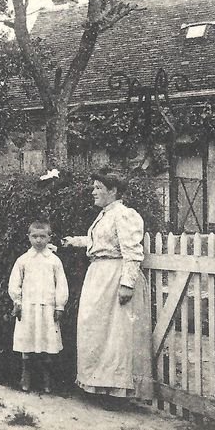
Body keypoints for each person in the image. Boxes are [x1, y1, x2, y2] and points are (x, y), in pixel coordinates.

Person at [62, 168, 151, 409]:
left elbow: (132, 251)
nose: (93, 192)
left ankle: (116, 393)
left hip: (114, 277)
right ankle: (98, 386)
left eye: (98, 188)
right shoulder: (105, 214)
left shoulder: (123, 214)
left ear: (113, 191)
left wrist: (127, 283)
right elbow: (100, 242)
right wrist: (74, 242)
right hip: (99, 276)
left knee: (116, 335)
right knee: (96, 331)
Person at [9, 220, 69, 393]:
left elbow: (61, 285)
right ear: (28, 237)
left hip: (47, 309)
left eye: (43, 236)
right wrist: (17, 303)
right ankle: (25, 375)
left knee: (48, 343)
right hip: (28, 309)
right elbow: (15, 284)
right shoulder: (23, 260)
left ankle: (47, 379)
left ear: (49, 238)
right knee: (27, 342)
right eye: (34, 236)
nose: (38, 240)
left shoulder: (54, 261)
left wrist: (59, 306)